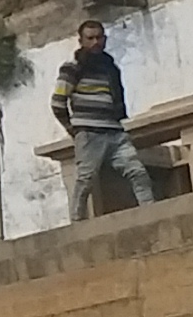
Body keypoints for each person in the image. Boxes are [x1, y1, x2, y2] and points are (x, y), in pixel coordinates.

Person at [50, 17, 157, 215]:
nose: (95, 42)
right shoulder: (72, 68)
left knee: (138, 172)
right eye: (90, 38)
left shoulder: (110, 68)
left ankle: (150, 213)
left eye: (99, 38)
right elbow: (58, 103)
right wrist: (74, 129)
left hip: (115, 132)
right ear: (81, 41)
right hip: (89, 133)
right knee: (85, 180)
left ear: (105, 40)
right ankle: (76, 221)